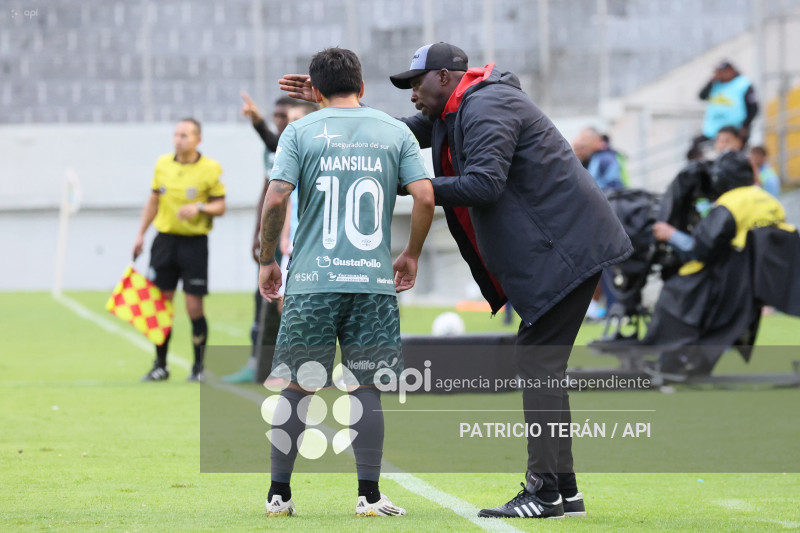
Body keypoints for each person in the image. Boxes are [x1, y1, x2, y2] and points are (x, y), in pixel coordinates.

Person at [280, 41, 632, 519]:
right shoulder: (454, 108)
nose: (411, 94)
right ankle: (563, 491)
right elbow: (391, 134)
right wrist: (334, 104)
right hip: (562, 247)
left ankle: (545, 492)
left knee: (537, 362)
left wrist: (412, 187)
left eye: (415, 83)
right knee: (540, 362)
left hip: (568, 249)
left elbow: (485, 183)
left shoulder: (487, 106)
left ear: (444, 78)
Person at [260, 47, 435, 518]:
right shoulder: (394, 130)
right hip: (371, 284)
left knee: (297, 387)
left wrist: (267, 259)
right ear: (361, 85)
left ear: (315, 90)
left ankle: (279, 495)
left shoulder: (299, 130)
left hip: (312, 282)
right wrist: (411, 254)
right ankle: (369, 497)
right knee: (365, 389)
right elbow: (424, 196)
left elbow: (276, 199)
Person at [649, 151, 797, 374]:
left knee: (675, 293)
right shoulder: (770, 201)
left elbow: (699, 248)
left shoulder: (730, 203)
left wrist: (670, 234)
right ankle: (699, 363)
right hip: (760, 280)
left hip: (729, 282)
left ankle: (668, 362)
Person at [133, 118, 226, 382]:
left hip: (194, 244)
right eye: (176, 134)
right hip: (164, 242)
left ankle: (198, 367)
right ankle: (160, 365)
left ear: (198, 139)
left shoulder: (211, 168)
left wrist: (199, 207)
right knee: (160, 305)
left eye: (185, 135)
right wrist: (140, 234)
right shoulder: (162, 164)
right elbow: (153, 201)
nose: (178, 140)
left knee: (194, 307)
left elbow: (220, 206)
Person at [222, 95, 298, 384]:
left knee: (289, 299)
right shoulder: (274, 150)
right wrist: (259, 231)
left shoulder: (303, 145)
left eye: (286, 116)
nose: (280, 121)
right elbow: (267, 191)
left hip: (298, 236)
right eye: (277, 115)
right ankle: (260, 363)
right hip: (278, 233)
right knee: (265, 294)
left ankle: (293, 366)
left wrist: (257, 122)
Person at [698, 60, 758, 144]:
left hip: (735, 130)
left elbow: (753, 108)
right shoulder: (715, 84)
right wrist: (711, 81)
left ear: (731, 70)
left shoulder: (743, 84)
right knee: (696, 146)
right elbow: (702, 96)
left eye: (722, 71)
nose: (720, 74)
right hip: (713, 130)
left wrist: (745, 126)